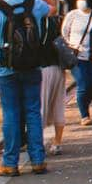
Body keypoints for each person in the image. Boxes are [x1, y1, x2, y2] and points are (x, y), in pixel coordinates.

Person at [0, 0, 56, 177]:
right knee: (33, 111)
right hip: (32, 66)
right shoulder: (36, 4)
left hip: (6, 68)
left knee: (11, 113)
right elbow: (54, 8)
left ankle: (10, 162)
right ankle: (38, 160)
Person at [62, 0, 92, 126]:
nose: (80, 2)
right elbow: (64, 32)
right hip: (76, 56)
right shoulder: (72, 15)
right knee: (83, 84)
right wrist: (71, 46)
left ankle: (83, 102)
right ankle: (84, 114)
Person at [40, 14, 66, 156]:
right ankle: (57, 142)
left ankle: (40, 142)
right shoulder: (53, 21)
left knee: (41, 107)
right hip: (58, 67)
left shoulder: (35, 22)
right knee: (58, 105)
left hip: (43, 68)